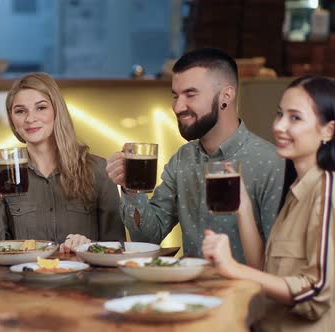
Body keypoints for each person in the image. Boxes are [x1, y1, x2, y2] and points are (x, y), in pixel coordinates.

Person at [202, 76, 335, 331]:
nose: (279, 126)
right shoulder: (298, 190)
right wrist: (242, 205)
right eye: (280, 115)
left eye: (295, 118)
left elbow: (314, 293)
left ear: (328, 130)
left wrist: (232, 268)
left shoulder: (330, 192)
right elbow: (265, 273)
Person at [106, 48, 285, 262]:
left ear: (226, 95)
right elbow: (148, 237)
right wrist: (131, 190)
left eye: (191, 94)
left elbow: (278, 261)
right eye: (175, 95)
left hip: (245, 291)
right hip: (188, 290)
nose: (178, 106)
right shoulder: (183, 158)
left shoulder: (270, 162)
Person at [0, 72, 125, 253]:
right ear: (12, 120)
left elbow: (117, 248)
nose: (30, 119)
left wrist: (90, 246)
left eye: (41, 108)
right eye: (20, 111)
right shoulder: (4, 174)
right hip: (22, 277)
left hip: (82, 278)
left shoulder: (99, 171)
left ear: (57, 111)